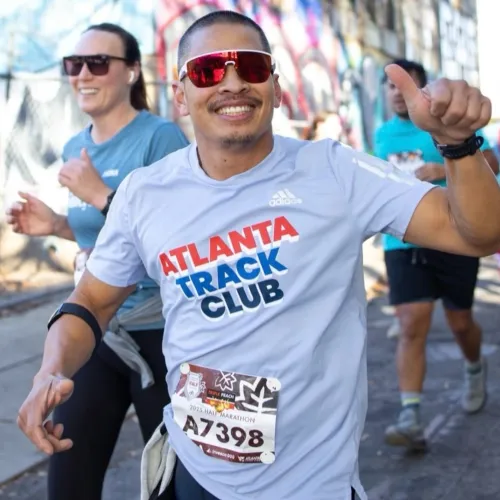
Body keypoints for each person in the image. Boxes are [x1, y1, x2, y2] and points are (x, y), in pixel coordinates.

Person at [16, 11, 500, 500]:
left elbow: (478, 236)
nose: (232, 83)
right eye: (208, 70)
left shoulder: (334, 171)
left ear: (275, 86)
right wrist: (49, 371)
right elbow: (92, 301)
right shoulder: (145, 193)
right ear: (181, 94)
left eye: (250, 66)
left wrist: (458, 146)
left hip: (315, 486)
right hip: (195, 475)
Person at [6, 23, 188, 500]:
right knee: (68, 477)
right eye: (74, 65)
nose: (83, 74)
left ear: (130, 72)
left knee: (169, 482)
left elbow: (180, 242)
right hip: (99, 330)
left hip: (161, 335)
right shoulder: (75, 146)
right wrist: (58, 225)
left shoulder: (159, 138)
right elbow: (109, 246)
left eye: (98, 63)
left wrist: (100, 195)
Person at [373, 59, 499, 451]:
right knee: (411, 322)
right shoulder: (379, 135)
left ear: (422, 91)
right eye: (391, 86)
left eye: (406, 86)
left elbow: (492, 163)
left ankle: (475, 367)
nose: (396, 91)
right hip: (403, 243)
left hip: (453, 235)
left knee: (460, 322)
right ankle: (410, 415)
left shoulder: (445, 119)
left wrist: (440, 168)